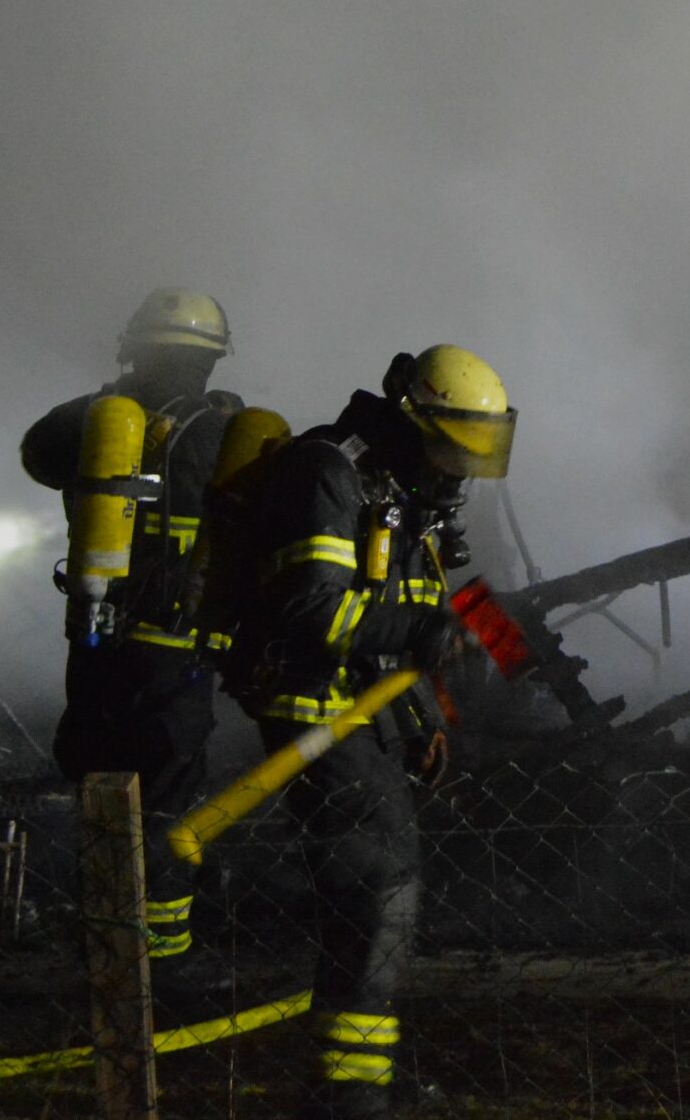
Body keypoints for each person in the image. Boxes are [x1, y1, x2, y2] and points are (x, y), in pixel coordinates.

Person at [213, 344, 513, 1118]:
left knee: (378, 900)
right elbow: (313, 611)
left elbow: (398, 621)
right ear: (412, 419)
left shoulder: (400, 489)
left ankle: (351, 1079)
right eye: (450, 446)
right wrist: (423, 630)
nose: (459, 469)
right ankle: (350, 1096)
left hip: (363, 716)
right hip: (315, 716)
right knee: (376, 896)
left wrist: (417, 715)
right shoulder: (330, 473)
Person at [20, 289, 243, 974]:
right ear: (209, 359)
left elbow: (36, 453)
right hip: (175, 656)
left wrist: (115, 399)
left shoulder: (93, 423)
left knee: (101, 791)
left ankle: (101, 946)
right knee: (167, 807)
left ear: (134, 348)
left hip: (95, 642)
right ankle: (162, 965)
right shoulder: (218, 430)